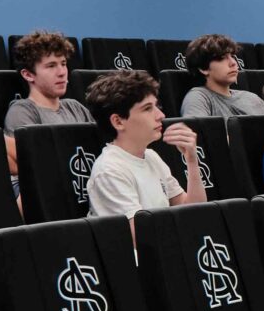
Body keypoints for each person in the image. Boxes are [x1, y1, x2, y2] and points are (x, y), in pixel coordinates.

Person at [84, 69, 205, 220]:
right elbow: (141, 237)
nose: (161, 115)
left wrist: (192, 161)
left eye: (156, 106)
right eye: (147, 109)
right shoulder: (109, 171)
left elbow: (195, 214)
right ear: (118, 121)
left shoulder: (151, 157)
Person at [4, 30, 92, 134]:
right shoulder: (22, 112)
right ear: (28, 75)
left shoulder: (75, 108)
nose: (62, 72)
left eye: (63, 64)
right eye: (51, 66)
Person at [179, 34, 264, 119]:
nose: (233, 63)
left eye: (232, 56)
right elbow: (198, 131)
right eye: (222, 58)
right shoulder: (198, 98)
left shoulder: (252, 98)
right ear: (203, 68)